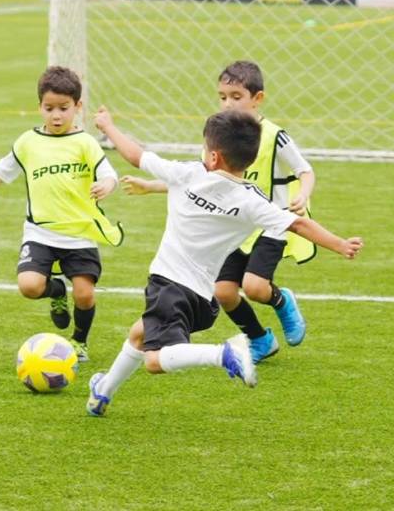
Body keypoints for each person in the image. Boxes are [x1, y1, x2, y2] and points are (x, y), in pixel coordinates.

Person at [86, 107, 363, 417]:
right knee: (139, 333)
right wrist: (339, 244)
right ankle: (103, 392)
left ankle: (224, 354)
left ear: (214, 156)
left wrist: (108, 127)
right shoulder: (251, 200)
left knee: (154, 360)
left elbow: (136, 156)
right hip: (204, 300)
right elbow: (298, 224)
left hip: (168, 284)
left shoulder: (188, 173)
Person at [120, 61, 316, 365]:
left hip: (270, 225)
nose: (227, 104)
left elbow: (305, 170)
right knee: (223, 292)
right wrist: (150, 186)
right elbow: (196, 183)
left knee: (254, 287)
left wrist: (302, 194)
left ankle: (281, 301)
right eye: (223, 97)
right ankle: (260, 339)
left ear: (257, 98)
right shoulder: (218, 139)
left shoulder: (275, 136)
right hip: (232, 226)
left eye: (236, 97)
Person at [0, 67, 123, 361]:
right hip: (40, 232)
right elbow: (1, 171)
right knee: (29, 287)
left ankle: (79, 341)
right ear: (39, 107)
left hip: (79, 233)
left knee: (84, 294)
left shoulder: (85, 142)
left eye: (63, 108)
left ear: (78, 107)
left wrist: (107, 185)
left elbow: (108, 174)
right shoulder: (28, 142)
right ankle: (56, 290)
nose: (56, 116)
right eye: (49, 109)